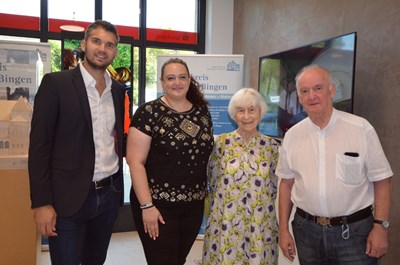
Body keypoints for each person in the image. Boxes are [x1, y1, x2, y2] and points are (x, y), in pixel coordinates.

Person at [28, 20, 125, 265]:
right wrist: (41, 203)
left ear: (115, 51)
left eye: (109, 44)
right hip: (67, 200)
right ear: (83, 44)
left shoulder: (118, 90)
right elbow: (39, 148)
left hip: (109, 195)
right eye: (96, 41)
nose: (102, 48)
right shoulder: (56, 84)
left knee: (95, 261)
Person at [276, 64, 393, 265]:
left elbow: (382, 180)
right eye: (305, 91)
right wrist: (284, 230)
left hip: (355, 233)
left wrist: (380, 227)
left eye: (318, 88)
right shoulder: (293, 135)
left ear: (332, 90)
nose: (312, 96)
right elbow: (286, 185)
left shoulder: (361, 129)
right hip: (307, 233)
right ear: (300, 96)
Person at [126, 57, 214, 265]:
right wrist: (147, 206)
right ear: (162, 82)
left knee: (178, 260)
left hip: (193, 207)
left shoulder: (201, 113)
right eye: (171, 78)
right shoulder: (148, 113)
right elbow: (135, 161)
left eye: (182, 77)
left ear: (189, 79)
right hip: (157, 206)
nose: (177, 82)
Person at [202, 88, 280, 265]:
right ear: (233, 114)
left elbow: (273, 188)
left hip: (260, 225)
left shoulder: (272, 147)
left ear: (260, 112)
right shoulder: (220, 144)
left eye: (252, 110)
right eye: (241, 110)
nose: (247, 116)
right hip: (226, 222)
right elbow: (212, 183)